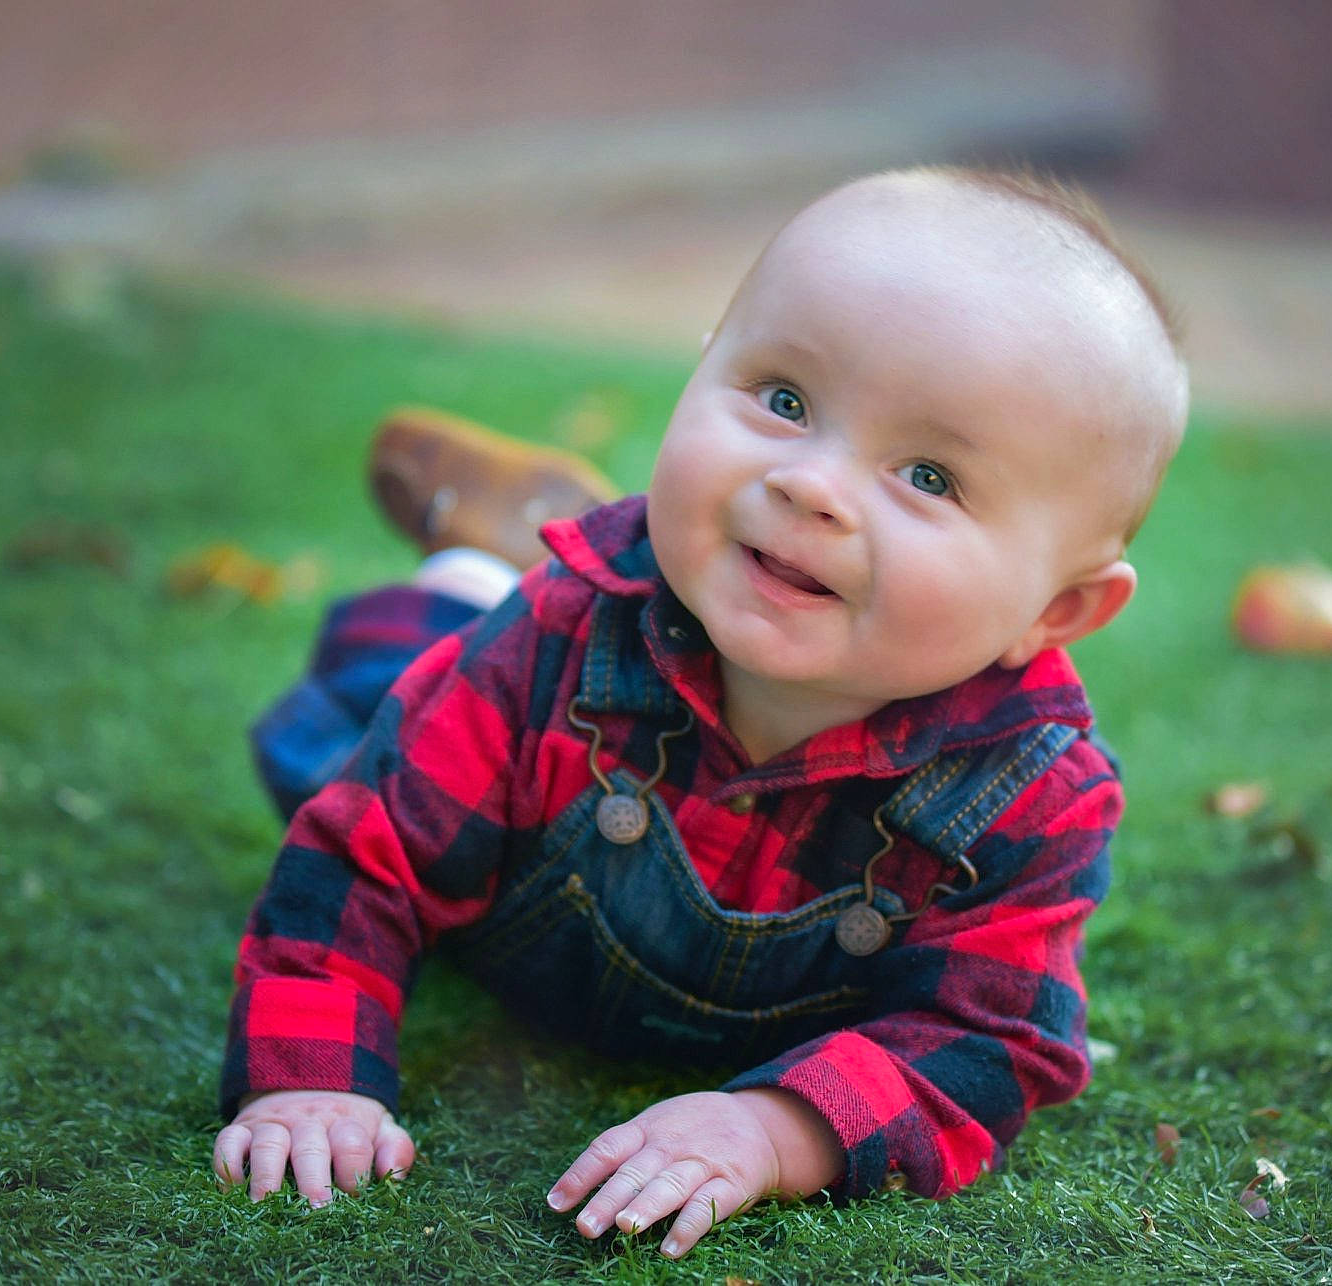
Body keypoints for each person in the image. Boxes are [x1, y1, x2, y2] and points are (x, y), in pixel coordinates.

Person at [212, 165, 1188, 1259]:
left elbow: (989, 1039)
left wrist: (775, 1127)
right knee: (344, 734)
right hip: (510, 720)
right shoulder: (563, 633)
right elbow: (364, 852)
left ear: (1056, 608)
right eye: (784, 401)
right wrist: (308, 1083)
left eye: (926, 474)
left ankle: (500, 538)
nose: (812, 482)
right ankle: (467, 567)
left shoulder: (1027, 799)